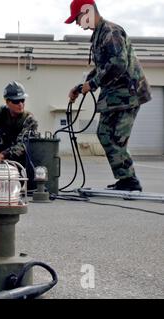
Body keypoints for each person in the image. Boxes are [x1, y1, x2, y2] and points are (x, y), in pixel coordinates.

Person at [65, 0, 152, 192]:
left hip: (129, 94)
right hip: (114, 96)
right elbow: (101, 68)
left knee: (115, 137)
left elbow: (118, 65)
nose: (78, 24)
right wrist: (81, 88)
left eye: (78, 18)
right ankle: (125, 179)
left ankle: (130, 180)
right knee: (104, 133)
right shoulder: (99, 34)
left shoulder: (110, 32)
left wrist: (93, 84)